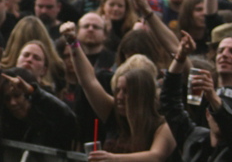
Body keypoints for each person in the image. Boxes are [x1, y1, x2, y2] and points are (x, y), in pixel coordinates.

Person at [61, 22, 176, 160]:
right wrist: (73, 43)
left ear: (142, 95)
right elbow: (88, 81)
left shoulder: (162, 126)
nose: (119, 97)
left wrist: (113, 159)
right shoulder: (114, 113)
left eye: (127, 92)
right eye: (117, 90)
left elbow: (156, 156)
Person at [0, 67, 77, 161]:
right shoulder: (4, 122)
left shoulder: (49, 120)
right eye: (7, 98)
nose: (12, 103)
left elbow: (68, 117)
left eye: (17, 95)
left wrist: (34, 91)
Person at [162, 31, 232, 162]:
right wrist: (180, 58)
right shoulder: (194, 138)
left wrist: (212, 96)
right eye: (221, 50)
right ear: (207, 114)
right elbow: (169, 102)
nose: (224, 55)